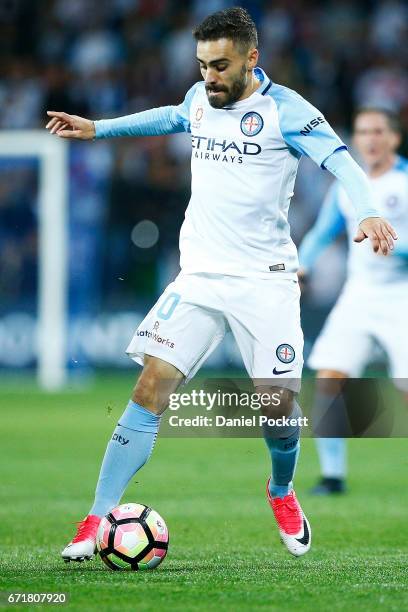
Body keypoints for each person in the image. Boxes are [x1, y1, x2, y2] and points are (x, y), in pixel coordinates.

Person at [46, 8, 396, 559]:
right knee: (149, 387)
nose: (209, 76)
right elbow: (169, 117)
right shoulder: (199, 97)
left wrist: (369, 212)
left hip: (266, 282)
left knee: (277, 410)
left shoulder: (288, 112)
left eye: (221, 66)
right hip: (201, 276)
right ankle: (94, 521)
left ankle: (280, 490)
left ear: (252, 59)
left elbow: (345, 165)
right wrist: (99, 128)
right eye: (203, 64)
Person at [298, 107, 408, 495]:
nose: (370, 139)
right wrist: (301, 266)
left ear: (394, 138)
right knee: (328, 377)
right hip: (358, 295)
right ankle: (332, 476)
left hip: (402, 297)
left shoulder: (405, 182)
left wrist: (395, 246)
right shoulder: (349, 185)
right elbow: (321, 231)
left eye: (379, 131)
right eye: (363, 132)